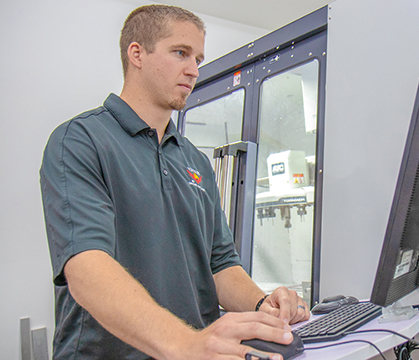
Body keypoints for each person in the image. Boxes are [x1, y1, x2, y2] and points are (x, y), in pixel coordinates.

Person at [40, 5, 309, 360]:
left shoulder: (195, 160)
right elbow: (86, 267)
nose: (194, 70)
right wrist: (184, 343)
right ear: (136, 53)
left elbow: (220, 263)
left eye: (198, 58)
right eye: (180, 53)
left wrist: (263, 304)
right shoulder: (80, 140)